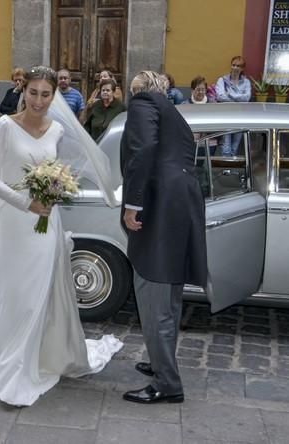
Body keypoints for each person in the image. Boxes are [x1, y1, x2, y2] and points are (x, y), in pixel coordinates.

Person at [0, 66, 121, 407]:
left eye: (46, 95)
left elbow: (62, 171)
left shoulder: (57, 129)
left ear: (54, 95)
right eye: (33, 93)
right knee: (14, 296)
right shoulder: (4, 126)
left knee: (36, 295)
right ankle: (12, 363)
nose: (39, 101)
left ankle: (32, 362)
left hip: (46, 225)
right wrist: (26, 202)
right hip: (12, 223)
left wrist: (54, 192)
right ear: (22, 91)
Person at [120, 71, 207, 404]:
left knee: (153, 293)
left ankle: (167, 382)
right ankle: (160, 362)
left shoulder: (143, 103)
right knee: (168, 295)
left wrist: (132, 204)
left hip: (158, 209)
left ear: (139, 89)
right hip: (179, 208)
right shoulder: (174, 113)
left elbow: (142, 151)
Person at [215, 56, 251, 156]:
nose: (235, 68)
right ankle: (226, 170)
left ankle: (231, 169)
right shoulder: (222, 80)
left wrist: (230, 94)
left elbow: (247, 98)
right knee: (226, 147)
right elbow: (220, 96)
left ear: (242, 68)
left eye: (238, 66)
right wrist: (239, 98)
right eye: (233, 65)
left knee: (235, 147)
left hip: (240, 117)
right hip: (226, 116)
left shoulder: (246, 82)